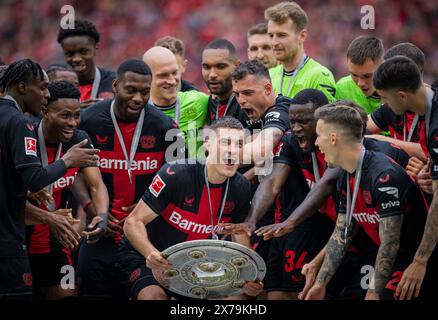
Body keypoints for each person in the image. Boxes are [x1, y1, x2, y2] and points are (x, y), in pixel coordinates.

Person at [119, 116, 263, 300]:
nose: (233, 150)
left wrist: (247, 278)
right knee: (153, 297)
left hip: (197, 265)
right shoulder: (175, 173)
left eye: (240, 144)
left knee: (239, 299)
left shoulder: (241, 187)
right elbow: (132, 222)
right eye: (226, 142)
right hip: (148, 257)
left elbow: (239, 234)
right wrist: (150, 253)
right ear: (208, 143)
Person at [77, 58, 184, 299]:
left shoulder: (167, 127)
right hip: (100, 234)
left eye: (145, 92)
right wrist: (93, 209)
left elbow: (178, 179)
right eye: (131, 90)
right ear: (115, 85)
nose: (138, 98)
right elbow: (73, 174)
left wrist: (149, 206)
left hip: (143, 239)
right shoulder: (89, 121)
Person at [304, 103, 429, 300]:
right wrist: (320, 283)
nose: (317, 143)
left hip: (416, 259)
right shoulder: (347, 173)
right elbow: (342, 233)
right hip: (392, 257)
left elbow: (390, 242)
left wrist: (373, 292)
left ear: (334, 138)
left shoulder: (383, 176)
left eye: (319, 136)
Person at [0, 59, 99, 299]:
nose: (46, 94)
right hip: (12, 241)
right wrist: (67, 160)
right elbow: (34, 178)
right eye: (42, 88)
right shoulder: (20, 122)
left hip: (50, 245)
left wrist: (93, 213)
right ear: (23, 87)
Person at [26, 80, 109, 300]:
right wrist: (48, 218)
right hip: (21, 243)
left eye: (76, 115)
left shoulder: (80, 140)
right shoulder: (26, 139)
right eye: (64, 115)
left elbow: (96, 184)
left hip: (60, 244)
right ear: (44, 111)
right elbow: (10, 199)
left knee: (68, 294)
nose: (73, 123)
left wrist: (101, 215)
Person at [373, 56, 438, 300]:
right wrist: (429, 170)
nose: (383, 105)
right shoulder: (426, 106)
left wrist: (420, 261)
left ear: (401, 96)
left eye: (384, 98)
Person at [143, 46, 209, 158]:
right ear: (147, 78)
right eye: (163, 75)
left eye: (174, 73)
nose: (172, 81)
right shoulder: (138, 112)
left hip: (193, 175)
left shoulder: (199, 101)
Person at [265, 1, 336, 101]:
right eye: (271, 35)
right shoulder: (270, 75)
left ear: (302, 36)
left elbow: (324, 117)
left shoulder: (319, 76)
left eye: (281, 35)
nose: (274, 42)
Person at [57, 19, 116, 109]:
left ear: (95, 48)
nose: (76, 59)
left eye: (83, 52)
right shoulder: (57, 85)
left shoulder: (114, 82)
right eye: (70, 54)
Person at [202, 38, 250, 127]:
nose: (212, 74)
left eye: (221, 66)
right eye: (207, 67)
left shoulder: (247, 104)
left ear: (237, 66)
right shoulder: (208, 103)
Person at [335, 36, 384, 114]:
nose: (360, 83)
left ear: (382, 65)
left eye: (367, 76)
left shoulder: (399, 90)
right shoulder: (341, 89)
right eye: (354, 75)